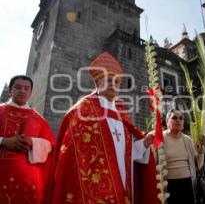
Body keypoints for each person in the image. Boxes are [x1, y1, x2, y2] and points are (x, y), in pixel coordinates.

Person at [50, 51, 159, 204]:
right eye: (109, 80)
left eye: (117, 82)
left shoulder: (122, 113)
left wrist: (145, 143)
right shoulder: (82, 110)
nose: (113, 85)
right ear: (97, 83)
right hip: (91, 189)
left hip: (122, 186)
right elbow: (70, 155)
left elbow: (127, 153)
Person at [0, 75, 55, 204]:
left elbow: (51, 146)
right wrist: (3, 141)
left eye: (26, 88)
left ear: (30, 93)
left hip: (28, 180)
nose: (22, 91)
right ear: (10, 90)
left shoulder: (39, 119)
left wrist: (33, 143)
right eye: (18, 87)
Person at [160, 109, 205, 204]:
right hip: (167, 185)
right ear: (167, 121)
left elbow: (199, 165)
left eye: (181, 118)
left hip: (188, 183)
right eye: (174, 118)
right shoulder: (160, 138)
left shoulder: (188, 140)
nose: (178, 120)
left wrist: (202, 149)